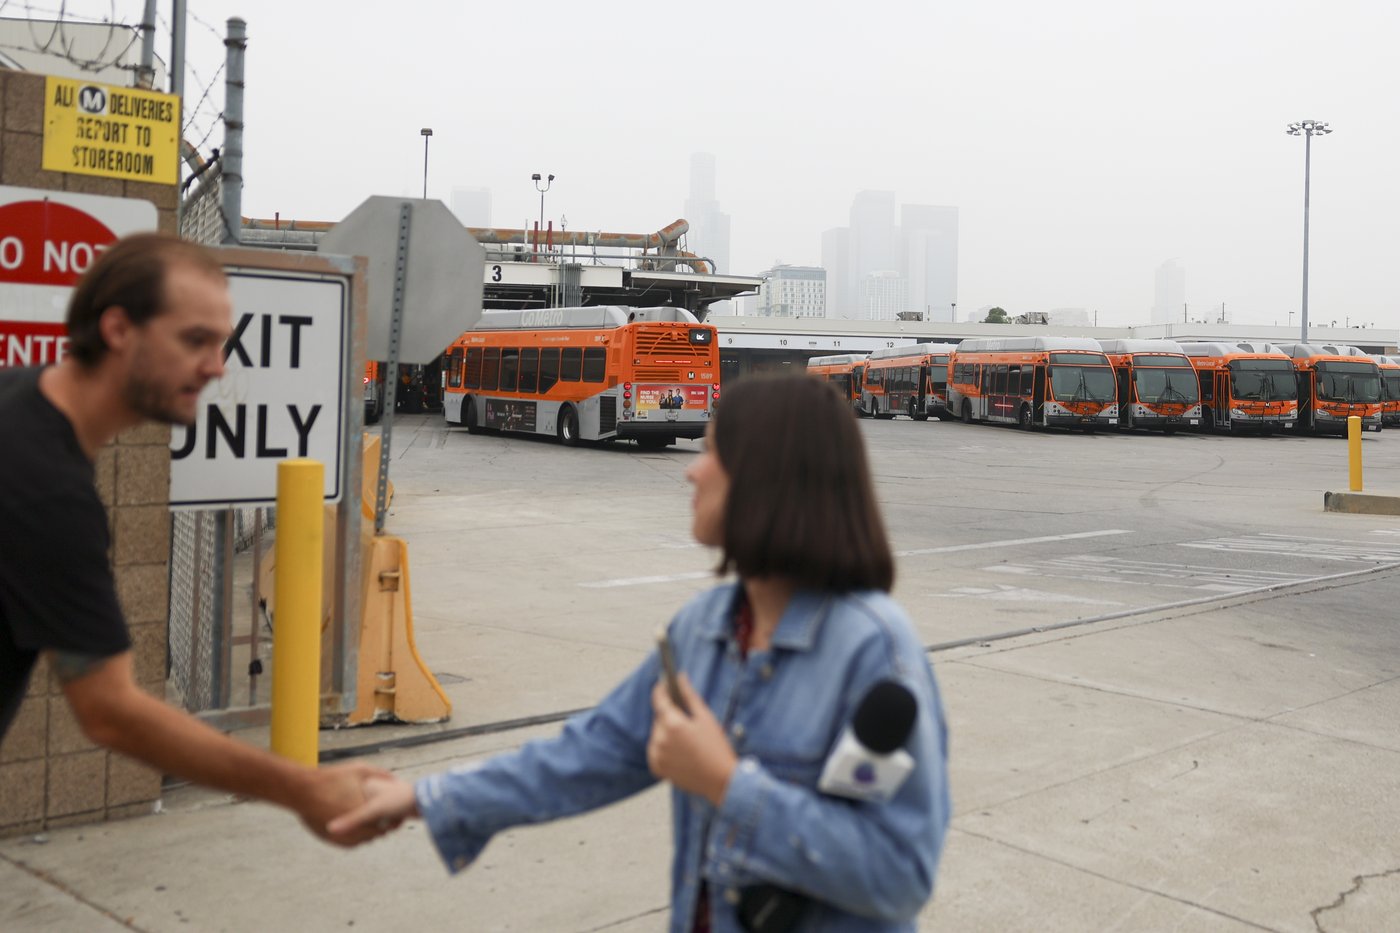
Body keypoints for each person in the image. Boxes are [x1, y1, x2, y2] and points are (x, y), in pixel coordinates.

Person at [330, 373, 951, 929]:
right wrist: (426, 798)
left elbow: (900, 874)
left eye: (713, 453)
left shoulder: (874, 653)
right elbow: (596, 751)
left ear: (769, 478)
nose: (691, 471)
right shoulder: (707, 627)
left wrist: (726, 784)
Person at [0, 232, 384, 845]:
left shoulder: (18, 397)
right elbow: (111, 712)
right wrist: (304, 788)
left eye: (221, 342)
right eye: (194, 340)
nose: (216, 366)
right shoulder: (45, 489)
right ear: (119, 329)